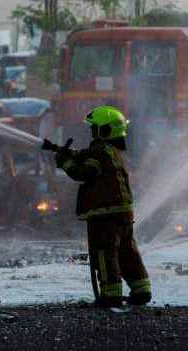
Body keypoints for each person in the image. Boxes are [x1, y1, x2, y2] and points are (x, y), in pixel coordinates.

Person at [54, 106, 152, 308]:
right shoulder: (112, 152)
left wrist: (66, 163)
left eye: (94, 128)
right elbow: (90, 157)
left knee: (104, 253)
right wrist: (72, 153)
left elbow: (85, 173)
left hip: (104, 215)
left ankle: (110, 295)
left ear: (104, 131)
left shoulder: (99, 152)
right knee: (127, 253)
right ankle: (142, 290)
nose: (91, 132)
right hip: (123, 213)